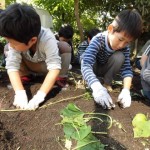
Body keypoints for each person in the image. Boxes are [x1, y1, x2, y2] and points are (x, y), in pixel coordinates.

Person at [0, 3, 71, 110]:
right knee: (8, 49)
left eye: (13, 43)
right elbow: (12, 66)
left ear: (32, 40)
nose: (11, 45)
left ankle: (60, 78)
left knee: (64, 47)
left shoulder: (47, 38)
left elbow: (54, 67)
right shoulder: (17, 39)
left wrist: (40, 95)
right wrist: (19, 92)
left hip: (46, 67)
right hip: (30, 65)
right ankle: (25, 76)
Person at [81, 9, 142, 109]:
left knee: (120, 57)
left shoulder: (124, 48)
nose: (122, 45)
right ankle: (92, 82)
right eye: (121, 39)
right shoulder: (98, 39)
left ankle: (106, 84)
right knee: (84, 59)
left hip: (106, 69)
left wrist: (126, 90)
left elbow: (127, 69)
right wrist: (96, 87)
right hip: (93, 68)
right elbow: (86, 64)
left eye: (127, 42)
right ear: (110, 29)